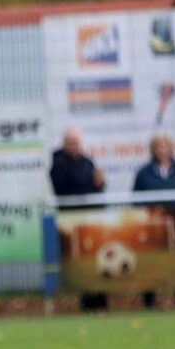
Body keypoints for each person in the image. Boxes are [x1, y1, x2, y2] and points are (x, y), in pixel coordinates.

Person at [49, 126, 109, 312]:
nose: (74, 146)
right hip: (73, 221)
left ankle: (99, 297)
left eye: (76, 142)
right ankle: (86, 299)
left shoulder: (87, 162)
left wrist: (100, 184)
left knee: (95, 259)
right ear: (64, 143)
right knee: (79, 261)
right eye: (70, 142)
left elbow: (94, 189)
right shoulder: (58, 163)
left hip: (91, 219)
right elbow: (63, 188)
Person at [132, 133, 175, 308]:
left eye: (165, 146)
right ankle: (149, 299)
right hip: (153, 226)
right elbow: (136, 198)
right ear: (153, 149)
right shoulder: (143, 173)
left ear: (171, 148)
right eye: (158, 146)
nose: (162, 150)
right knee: (151, 261)